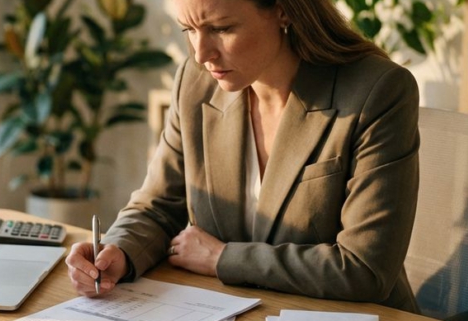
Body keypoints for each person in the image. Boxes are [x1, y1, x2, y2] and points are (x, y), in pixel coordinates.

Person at [65, 0, 420, 313]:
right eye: (189, 29)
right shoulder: (194, 82)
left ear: (283, 10)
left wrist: (222, 258)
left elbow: (364, 268)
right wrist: (119, 252)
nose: (202, 53)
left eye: (221, 28)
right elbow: (157, 207)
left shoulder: (378, 92)